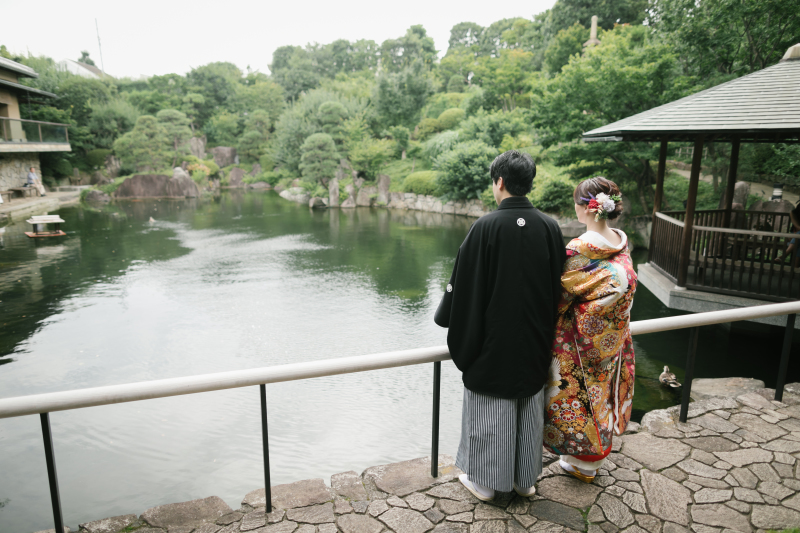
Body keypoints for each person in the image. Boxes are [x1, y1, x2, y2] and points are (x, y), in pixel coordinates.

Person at [434, 150, 566, 501]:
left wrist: (449, 319)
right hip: (536, 339)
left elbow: (465, 288)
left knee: (490, 412)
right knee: (528, 407)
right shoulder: (550, 226)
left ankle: (486, 484)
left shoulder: (485, 226)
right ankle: (524, 480)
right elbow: (558, 289)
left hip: (494, 344)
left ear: (500, 182)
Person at [543, 177, 637, 483]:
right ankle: (589, 462)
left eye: (576, 203)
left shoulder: (580, 251)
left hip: (579, 340)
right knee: (600, 396)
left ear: (585, 209)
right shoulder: (621, 244)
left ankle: (581, 461)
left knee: (574, 399)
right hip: (611, 339)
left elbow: (559, 296)